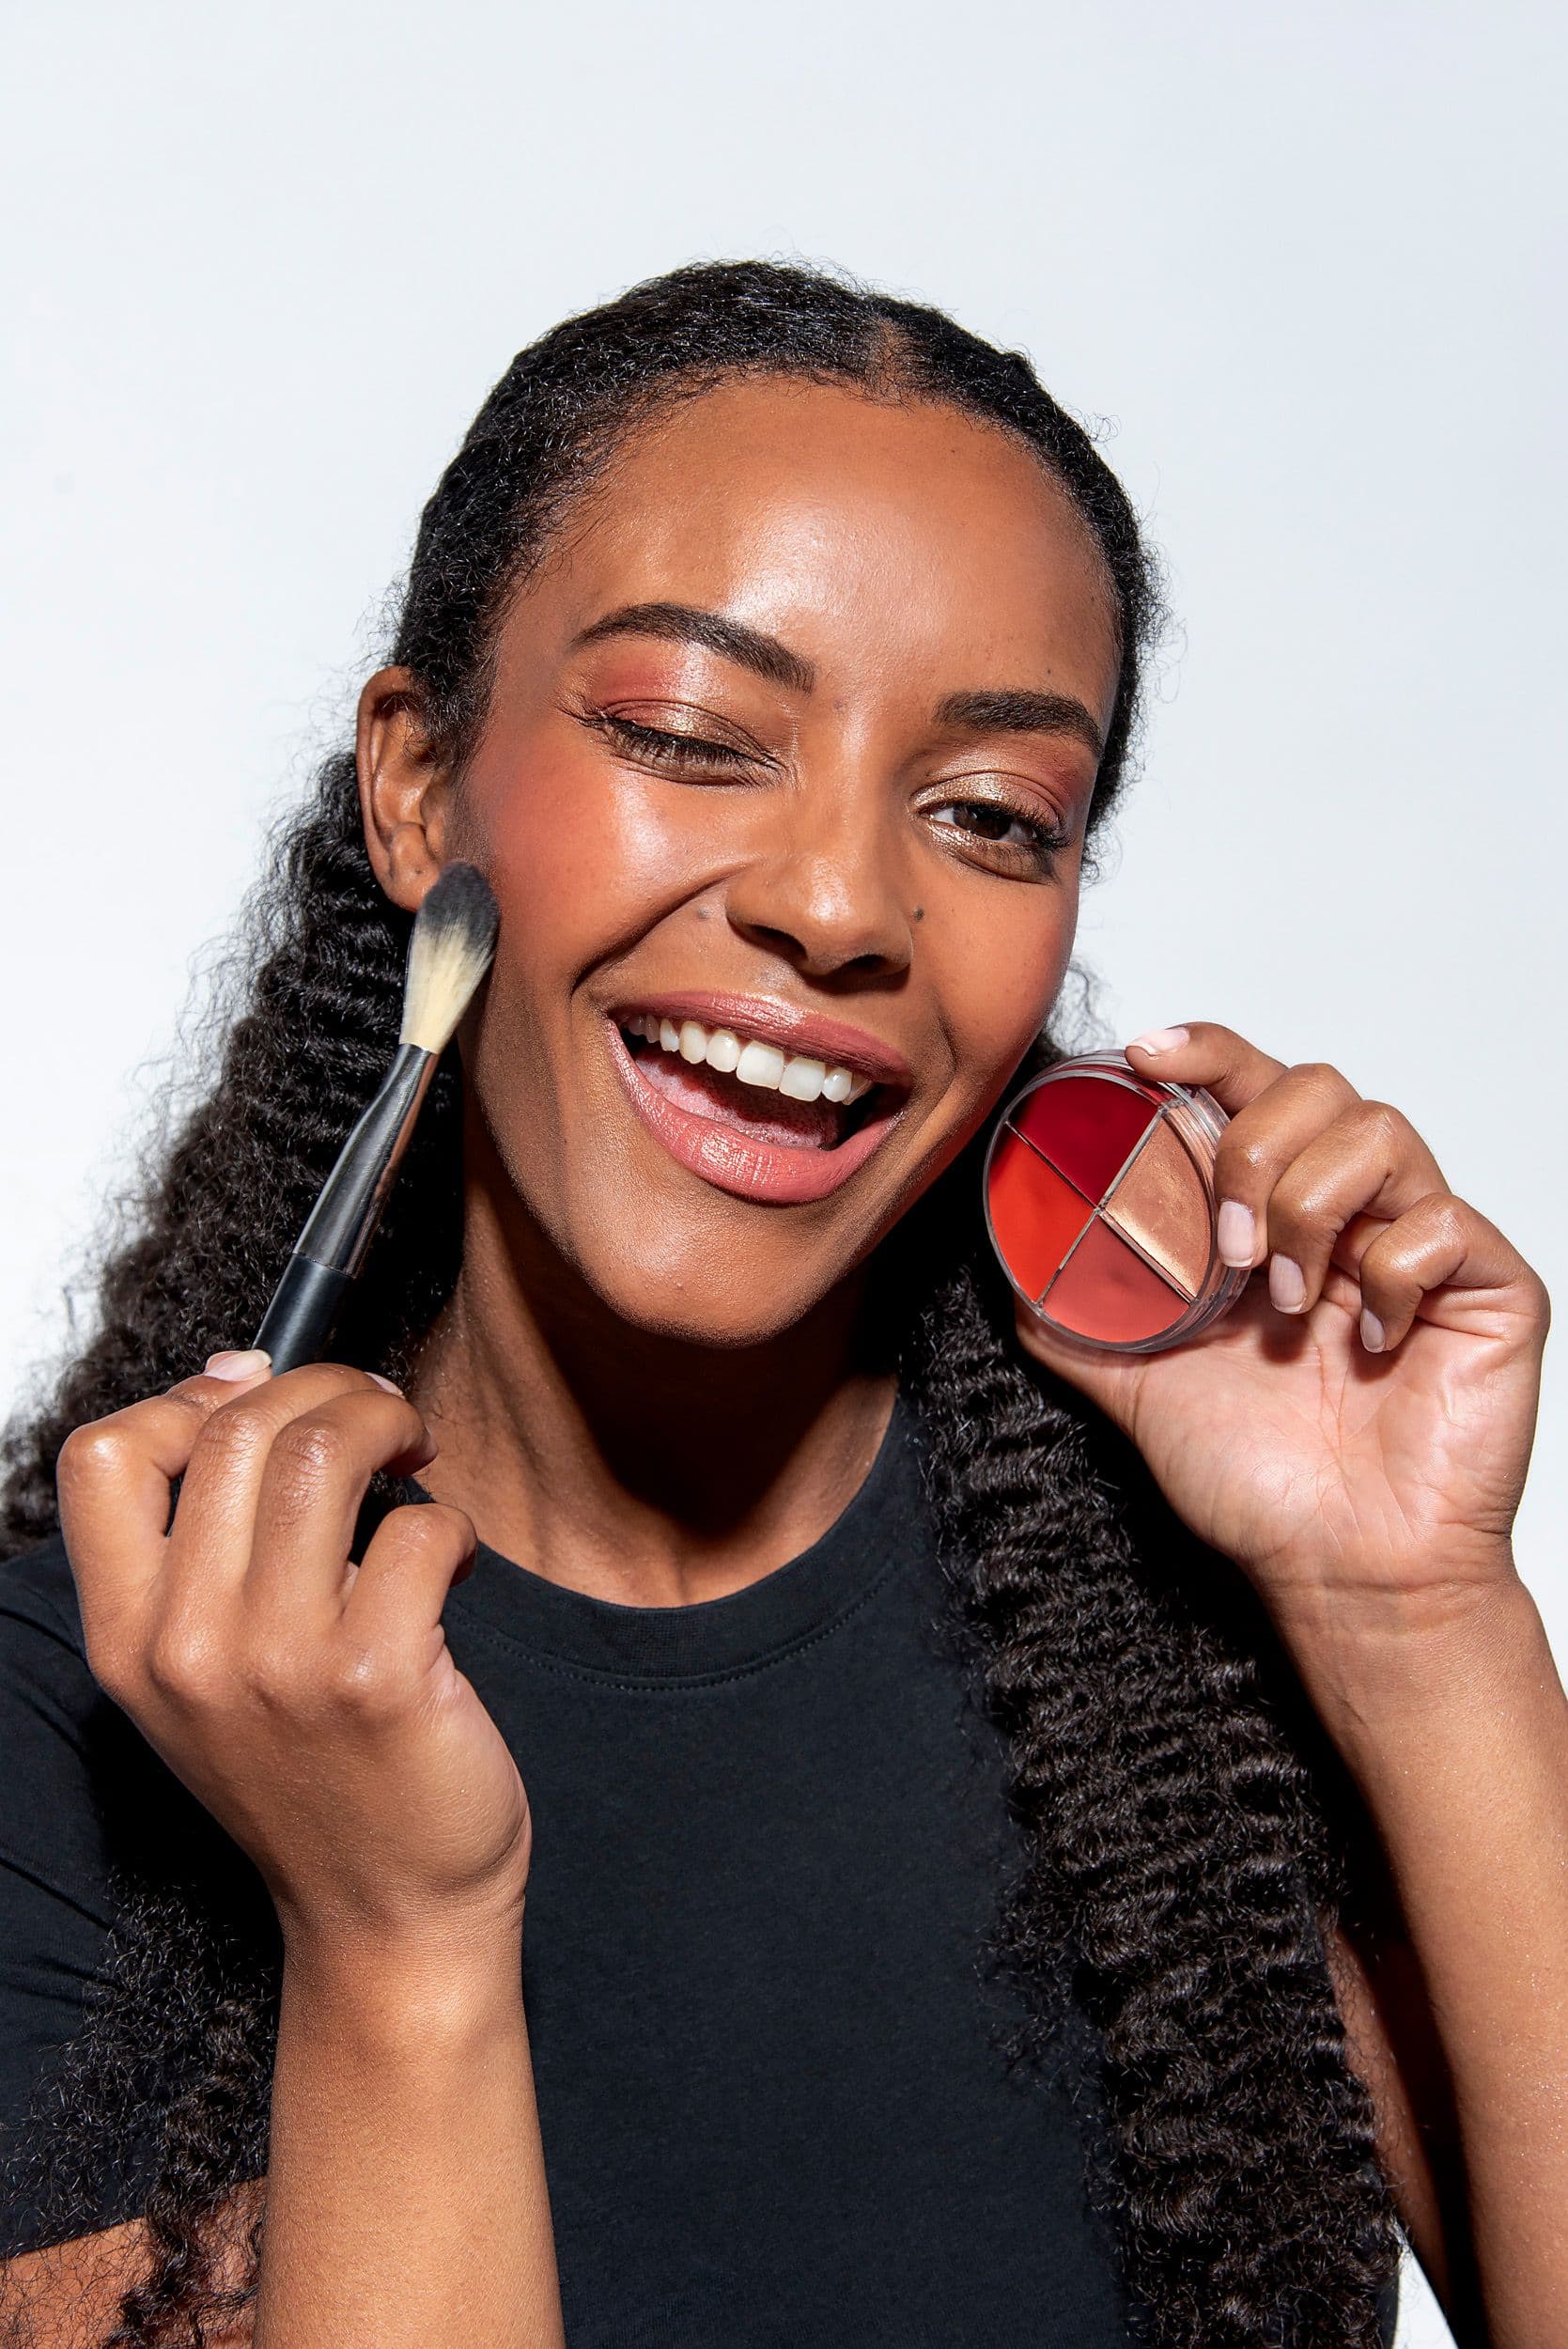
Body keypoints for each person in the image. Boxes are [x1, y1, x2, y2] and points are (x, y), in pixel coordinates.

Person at [0, 261, 1559, 2349]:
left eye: (989, 815)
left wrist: (1412, 1612)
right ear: (417, 783)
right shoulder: (68, 1734)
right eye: (685, 735)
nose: (835, 905)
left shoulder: (1194, 1668)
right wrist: (397, 1946)